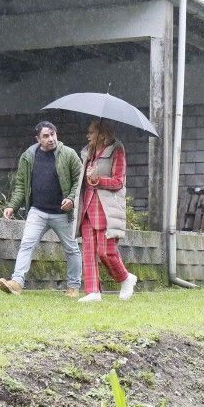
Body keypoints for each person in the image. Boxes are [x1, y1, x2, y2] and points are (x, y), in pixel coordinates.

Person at [0, 121, 84, 296]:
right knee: (27, 244)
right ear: (38, 138)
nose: (51, 139)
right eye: (46, 136)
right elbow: (21, 185)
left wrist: (71, 199)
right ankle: (16, 283)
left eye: (53, 134)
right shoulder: (28, 156)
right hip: (37, 211)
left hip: (62, 214)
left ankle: (74, 286)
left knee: (71, 249)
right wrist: (12, 206)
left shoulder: (68, 154)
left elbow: (80, 181)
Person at [73, 119, 137, 303]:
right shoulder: (87, 152)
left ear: (102, 134)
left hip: (105, 209)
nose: (88, 136)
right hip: (87, 208)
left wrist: (97, 179)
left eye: (91, 132)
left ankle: (125, 278)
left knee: (105, 252)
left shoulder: (117, 150)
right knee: (88, 252)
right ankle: (93, 292)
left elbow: (118, 182)